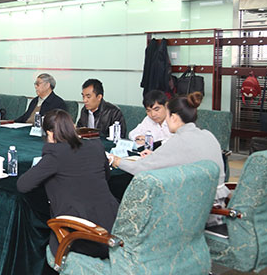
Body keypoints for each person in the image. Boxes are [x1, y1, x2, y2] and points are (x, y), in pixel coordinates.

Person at [110, 92, 228, 224]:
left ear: (174, 117)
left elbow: (140, 168)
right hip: (216, 206)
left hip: (193, 211)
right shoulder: (208, 135)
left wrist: (116, 160)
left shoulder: (179, 140)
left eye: (167, 116)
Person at [17, 109, 119, 259]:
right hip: (114, 229)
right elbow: (106, 176)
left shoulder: (55, 155)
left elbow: (23, 185)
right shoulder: (96, 146)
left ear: (50, 133)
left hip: (81, 236)